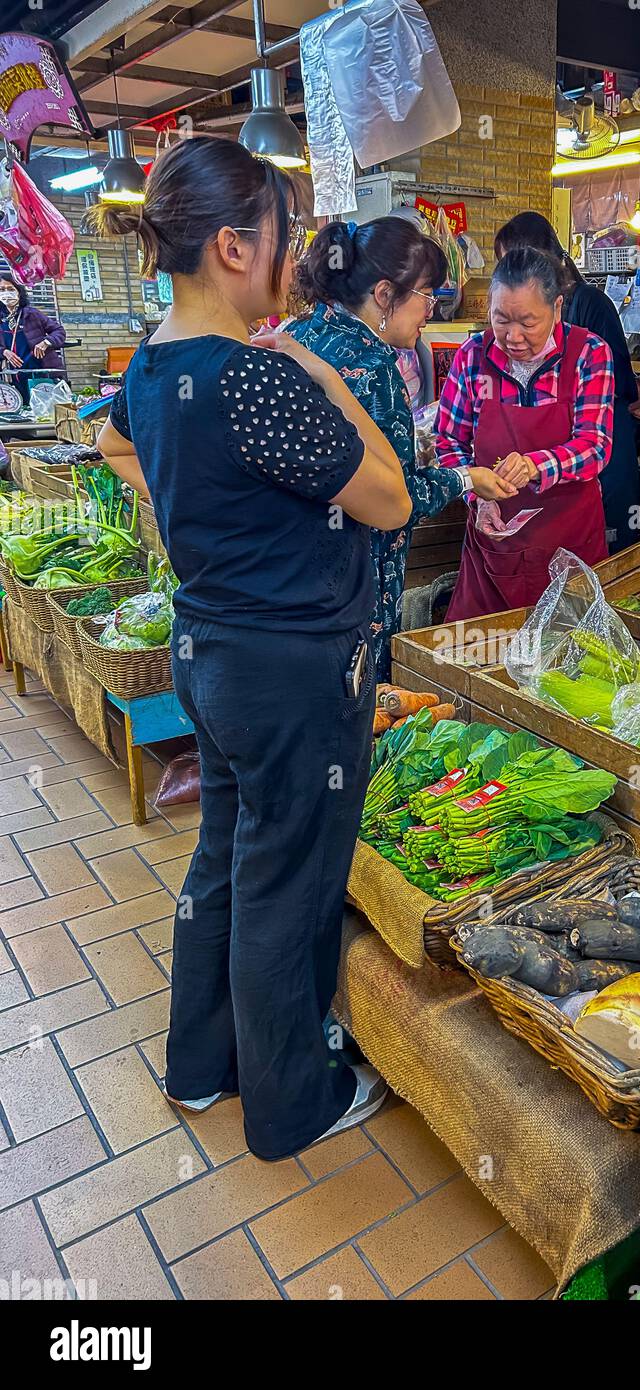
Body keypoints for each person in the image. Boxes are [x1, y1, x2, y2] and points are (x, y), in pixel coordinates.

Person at [91, 136, 408, 1162]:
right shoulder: (254, 381)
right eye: (282, 235)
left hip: (211, 650)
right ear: (234, 245)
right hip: (290, 672)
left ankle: (200, 1065)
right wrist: (327, 372)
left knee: (226, 858)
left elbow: (121, 449)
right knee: (289, 881)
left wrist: (211, 518)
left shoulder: (150, 365)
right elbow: (392, 498)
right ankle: (291, 1103)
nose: (294, 260)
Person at [290, 218, 515, 679]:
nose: (430, 311)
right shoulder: (373, 365)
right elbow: (398, 499)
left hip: (300, 573)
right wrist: (467, 478)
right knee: (361, 703)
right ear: (385, 294)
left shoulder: (306, 333)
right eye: (426, 296)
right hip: (359, 574)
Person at [435, 247, 615, 619]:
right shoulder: (472, 355)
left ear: (558, 308)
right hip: (494, 551)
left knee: (572, 660)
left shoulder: (589, 354)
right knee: (477, 657)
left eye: (527, 322)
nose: (512, 336)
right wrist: (477, 496)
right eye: (501, 319)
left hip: (570, 547)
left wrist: (536, 465)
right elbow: (448, 439)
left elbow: (595, 447)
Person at [495, 211, 640, 553]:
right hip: (539, 484)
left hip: (605, 441)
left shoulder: (591, 312)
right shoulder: (477, 354)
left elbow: (616, 390)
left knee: (610, 548)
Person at [0, 277, 67, 410]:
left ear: (19, 292)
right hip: (13, 376)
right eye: (2, 290)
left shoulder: (31, 314)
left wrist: (46, 342)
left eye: (11, 289)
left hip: (40, 372)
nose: (6, 293)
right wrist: (4, 351)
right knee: (19, 411)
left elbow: (59, 331)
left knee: (44, 410)